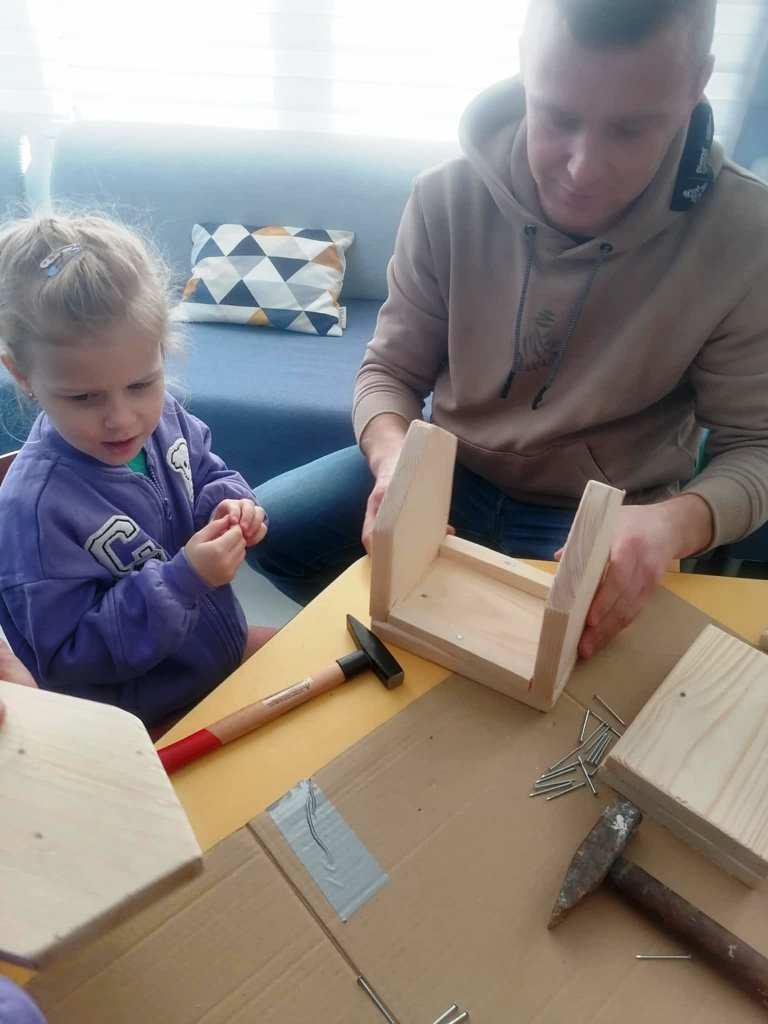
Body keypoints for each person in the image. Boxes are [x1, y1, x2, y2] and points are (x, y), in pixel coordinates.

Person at [250, 0, 768, 660]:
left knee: (563, 667)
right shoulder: (444, 198)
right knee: (271, 532)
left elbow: (756, 447)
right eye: (557, 117)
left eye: (632, 130)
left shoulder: (746, 234)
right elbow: (389, 373)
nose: (583, 168)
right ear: (526, 62)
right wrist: (394, 461)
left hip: (600, 511)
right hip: (449, 469)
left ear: (697, 83)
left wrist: (673, 525)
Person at [0, 214, 274, 729]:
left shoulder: (165, 416)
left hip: (216, 661)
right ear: (22, 375)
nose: (123, 419)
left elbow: (206, 470)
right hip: (141, 721)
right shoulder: (33, 512)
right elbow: (67, 656)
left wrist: (230, 503)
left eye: (141, 384)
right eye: (84, 397)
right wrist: (183, 581)